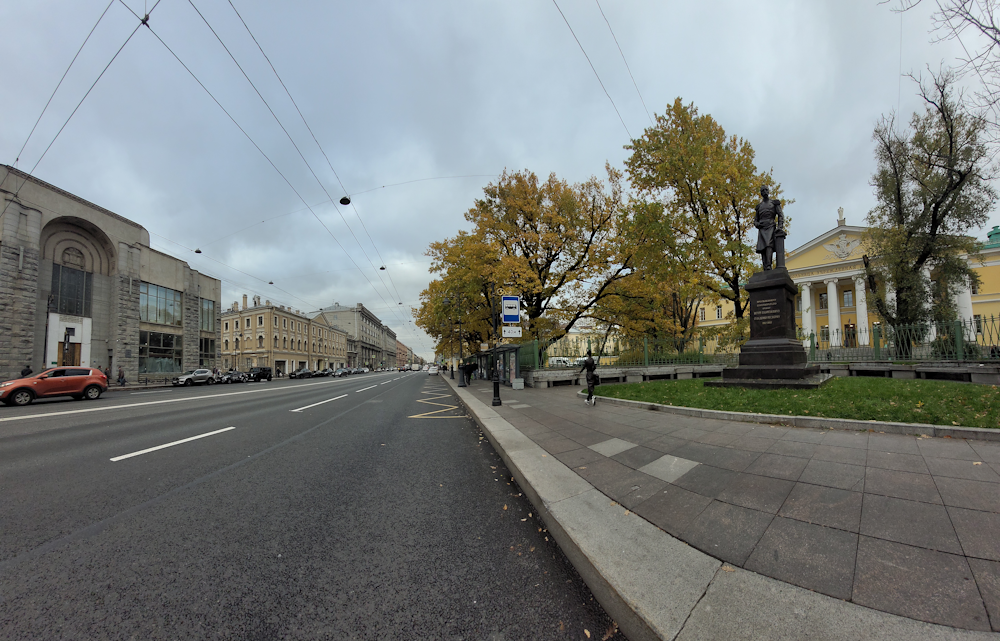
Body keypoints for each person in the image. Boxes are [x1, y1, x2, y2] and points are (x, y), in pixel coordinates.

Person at [755, 185, 784, 270]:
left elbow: (780, 215)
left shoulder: (774, 203)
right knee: (762, 248)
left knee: (768, 245)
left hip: (770, 226)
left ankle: (768, 265)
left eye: (766, 190)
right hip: (762, 228)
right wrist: (757, 224)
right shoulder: (759, 207)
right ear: (761, 193)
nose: (765, 192)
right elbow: (755, 220)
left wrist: (780, 227)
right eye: (763, 190)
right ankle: (765, 266)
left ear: (768, 191)